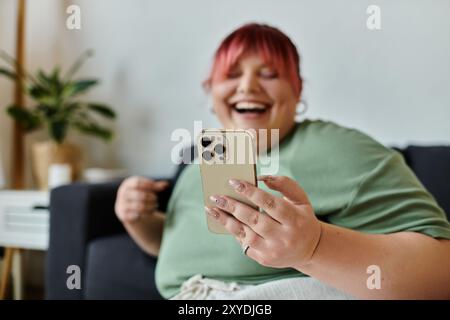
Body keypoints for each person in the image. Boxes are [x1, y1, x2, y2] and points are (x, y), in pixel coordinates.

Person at [114, 23, 450, 299]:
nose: (248, 86)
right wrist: (137, 219)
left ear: (297, 89)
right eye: (232, 74)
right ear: (210, 91)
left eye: (269, 74)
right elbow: (183, 247)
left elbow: (442, 270)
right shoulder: (207, 153)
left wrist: (315, 247)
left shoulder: (339, 149)